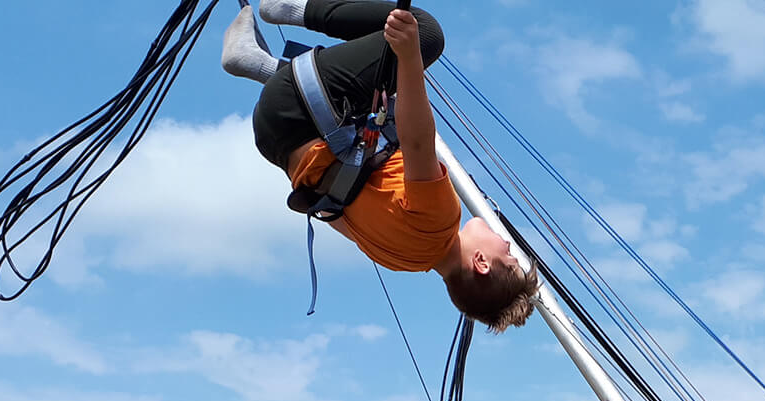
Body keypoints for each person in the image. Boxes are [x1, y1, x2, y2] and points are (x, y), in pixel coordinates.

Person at [221, 1, 539, 331]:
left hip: (298, 105)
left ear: (482, 263)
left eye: (509, 257)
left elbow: (418, 140)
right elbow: (332, 212)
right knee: (382, 113)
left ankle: (289, 8)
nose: (507, 243)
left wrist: (410, 58)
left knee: (425, 33)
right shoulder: (402, 261)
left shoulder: (441, 221)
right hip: (275, 138)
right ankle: (257, 64)